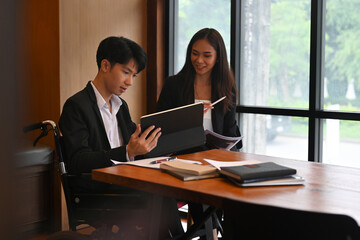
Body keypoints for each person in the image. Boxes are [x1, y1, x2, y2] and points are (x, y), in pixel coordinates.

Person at [59, 36, 183, 239]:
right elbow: (77, 161)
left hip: (123, 184)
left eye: (134, 75)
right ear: (105, 65)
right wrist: (127, 152)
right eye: (126, 72)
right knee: (159, 193)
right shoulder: (76, 106)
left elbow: (135, 147)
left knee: (165, 187)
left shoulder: (120, 106)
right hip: (95, 192)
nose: (130, 82)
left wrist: (156, 147)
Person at [156, 28, 243, 239]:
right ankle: (207, 234)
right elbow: (158, 128)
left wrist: (228, 145)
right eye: (195, 53)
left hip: (214, 163)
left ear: (218, 57)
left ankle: (212, 233)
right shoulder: (174, 85)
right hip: (183, 161)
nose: (199, 60)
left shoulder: (226, 88)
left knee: (240, 192)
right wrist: (189, 119)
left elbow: (232, 134)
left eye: (207, 55)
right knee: (203, 192)